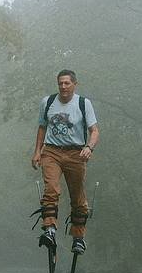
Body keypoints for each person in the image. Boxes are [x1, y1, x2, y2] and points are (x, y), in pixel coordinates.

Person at [31, 69, 99, 254]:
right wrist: (37, 151)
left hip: (75, 153)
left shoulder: (83, 104)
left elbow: (94, 130)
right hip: (51, 151)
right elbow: (42, 127)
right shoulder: (48, 102)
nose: (63, 87)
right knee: (51, 189)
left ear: (75, 84)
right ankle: (50, 229)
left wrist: (89, 147)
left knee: (77, 197)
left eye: (67, 83)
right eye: (60, 83)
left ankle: (78, 237)